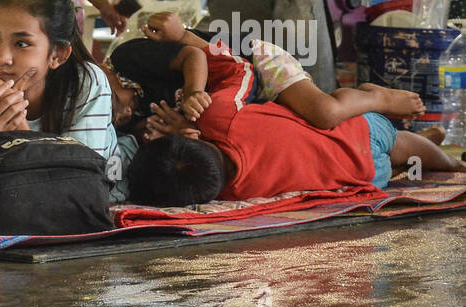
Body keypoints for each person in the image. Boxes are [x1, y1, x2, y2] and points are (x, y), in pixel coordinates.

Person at [0, 0, 130, 200]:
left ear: (58, 54)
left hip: (100, 201)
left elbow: (81, 187)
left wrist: (21, 135)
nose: (2, 58)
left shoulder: (86, 83)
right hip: (14, 201)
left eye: (22, 44)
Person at [129, 93, 466, 206]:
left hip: (364, 178)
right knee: (398, 142)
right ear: (193, 137)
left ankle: (429, 141)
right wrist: (190, 109)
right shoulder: (220, 115)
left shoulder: (234, 195)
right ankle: (451, 164)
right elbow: (235, 70)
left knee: (394, 164)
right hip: (359, 133)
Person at [142, 11, 424, 128]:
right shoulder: (132, 118)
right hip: (238, 95)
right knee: (307, 133)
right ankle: (410, 141)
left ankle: (378, 97)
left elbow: (204, 51)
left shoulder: (134, 62)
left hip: (257, 61)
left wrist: (180, 34)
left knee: (324, 114)